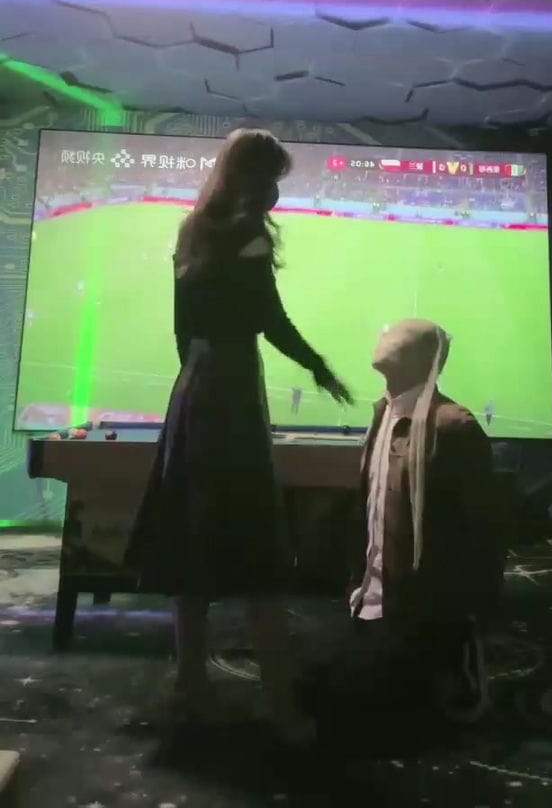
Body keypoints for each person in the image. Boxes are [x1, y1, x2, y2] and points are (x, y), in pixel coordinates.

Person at [125, 129, 352, 742]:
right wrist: (317, 365)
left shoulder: (192, 230)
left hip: (194, 389)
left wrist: (194, 385)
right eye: (273, 177)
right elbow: (268, 320)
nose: (276, 190)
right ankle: (280, 706)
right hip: (229, 392)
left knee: (191, 544)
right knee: (258, 551)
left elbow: (183, 327)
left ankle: (191, 689)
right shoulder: (249, 235)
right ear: (257, 178)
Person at [302, 320, 505, 744]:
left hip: (419, 614)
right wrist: (357, 584)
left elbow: (484, 530)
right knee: (312, 691)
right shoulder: (384, 413)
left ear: (421, 357)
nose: (385, 332)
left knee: (353, 716)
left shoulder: (452, 426)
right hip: (373, 604)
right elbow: (370, 513)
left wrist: (468, 619)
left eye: (396, 332)